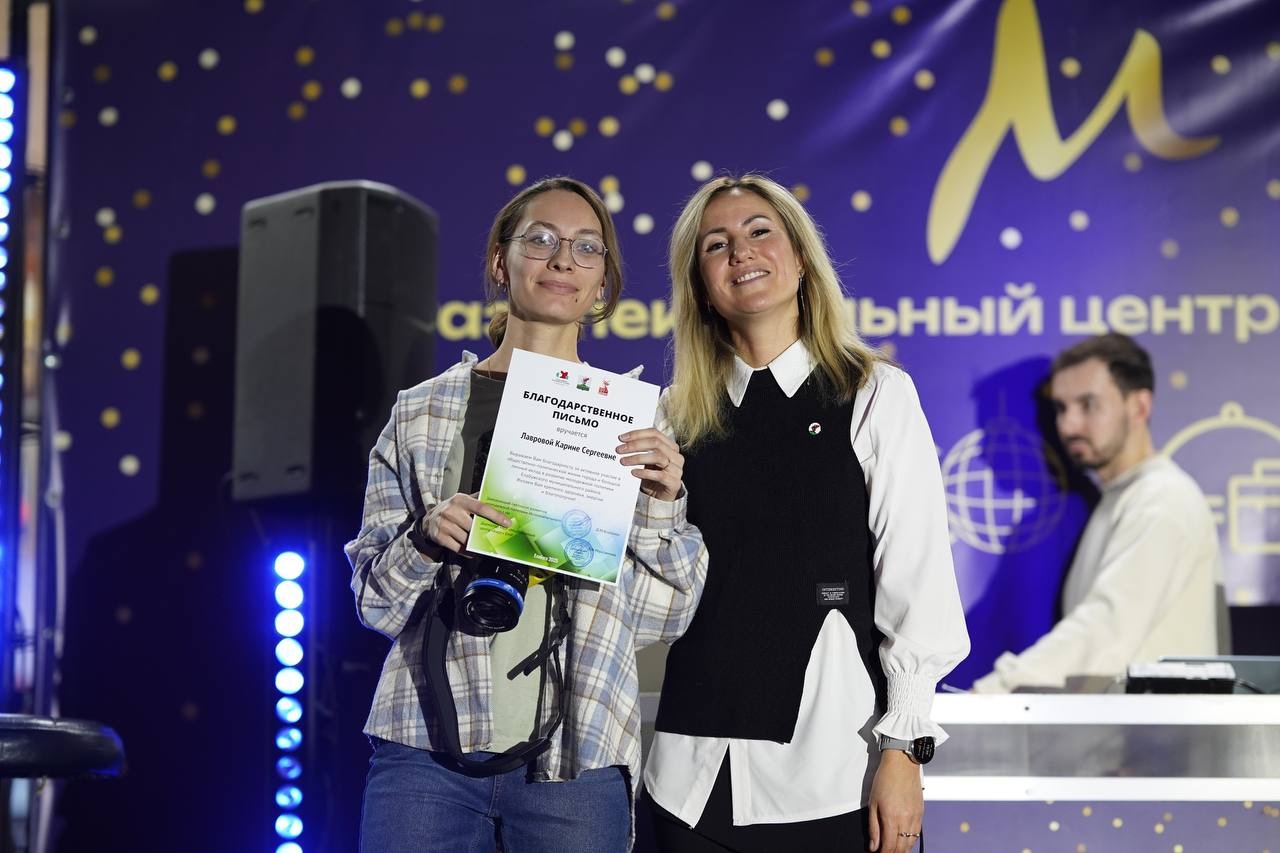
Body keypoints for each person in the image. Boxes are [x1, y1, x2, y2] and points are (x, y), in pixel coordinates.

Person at [346, 176, 708, 852]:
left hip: (575, 758)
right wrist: (424, 541)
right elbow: (374, 603)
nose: (563, 259)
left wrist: (662, 506)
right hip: (424, 749)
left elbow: (664, 619)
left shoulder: (635, 423)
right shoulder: (422, 411)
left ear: (603, 284)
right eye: (540, 240)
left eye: (587, 247)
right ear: (499, 261)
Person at [643, 174, 970, 853]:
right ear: (699, 285)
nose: (741, 251)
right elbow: (645, 596)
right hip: (686, 779)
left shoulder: (874, 392)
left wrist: (905, 749)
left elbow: (918, 581)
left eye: (760, 231)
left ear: (800, 256)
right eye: (716, 244)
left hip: (833, 775)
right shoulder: (670, 417)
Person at [972, 333, 1224, 693]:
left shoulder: (1162, 498)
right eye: (1061, 408)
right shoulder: (1120, 500)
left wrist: (994, 691)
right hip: (1131, 725)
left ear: (1139, 407)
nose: (1068, 425)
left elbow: (1106, 628)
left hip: (1160, 729)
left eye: (1088, 405)